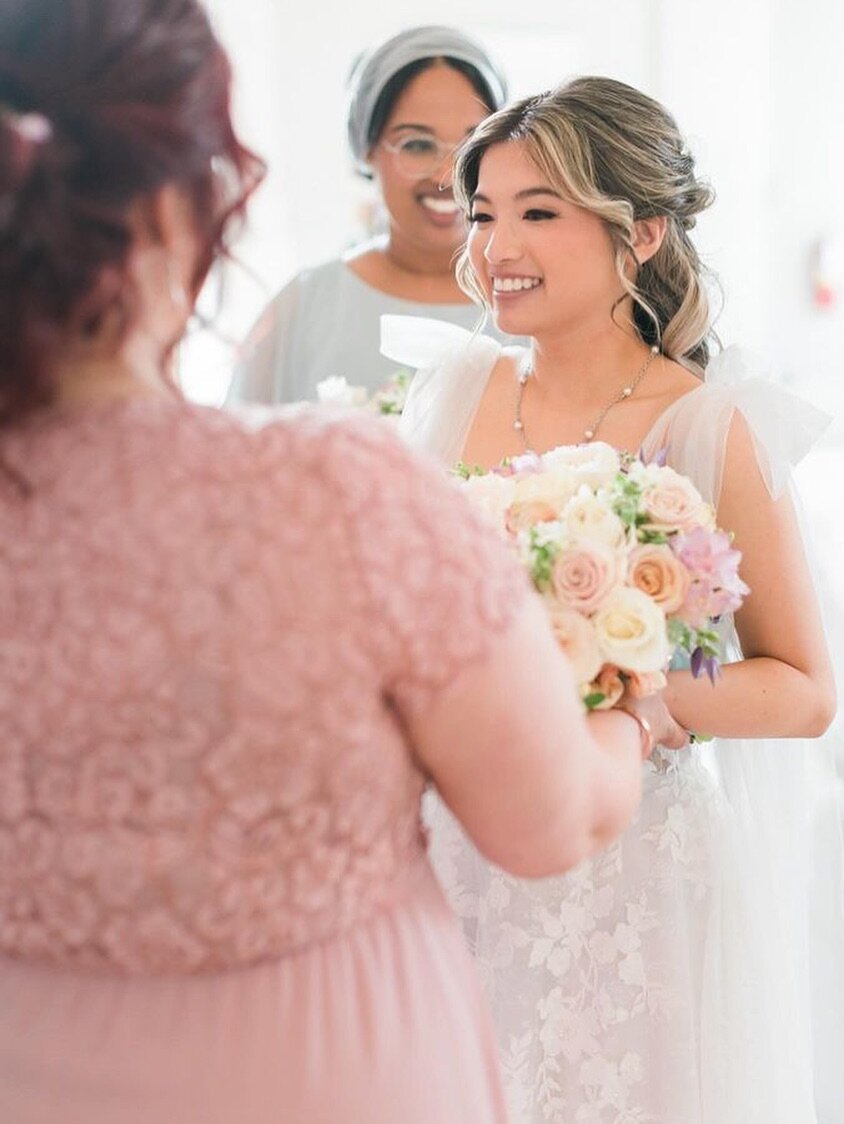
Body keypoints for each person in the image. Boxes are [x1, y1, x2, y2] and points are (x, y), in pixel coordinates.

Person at [0, 10, 681, 1123]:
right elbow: (545, 819)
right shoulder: (338, 490)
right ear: (178, 208)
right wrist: (633, 709)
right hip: (319, 1075)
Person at [386, 77, 844, 1123]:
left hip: (630, 878)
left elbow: (801, 689)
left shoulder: (709, 423)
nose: (492, 245)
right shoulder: (452, 390)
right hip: (459, 847)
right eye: (482, 213)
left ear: (640, 230)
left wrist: (627, 692)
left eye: (537, 212)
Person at [229, 24, 511, 405]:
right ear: (366, 149)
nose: (447, 175)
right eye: (417, 145)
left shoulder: (540, 302)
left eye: (472, 144)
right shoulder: (303, 308)